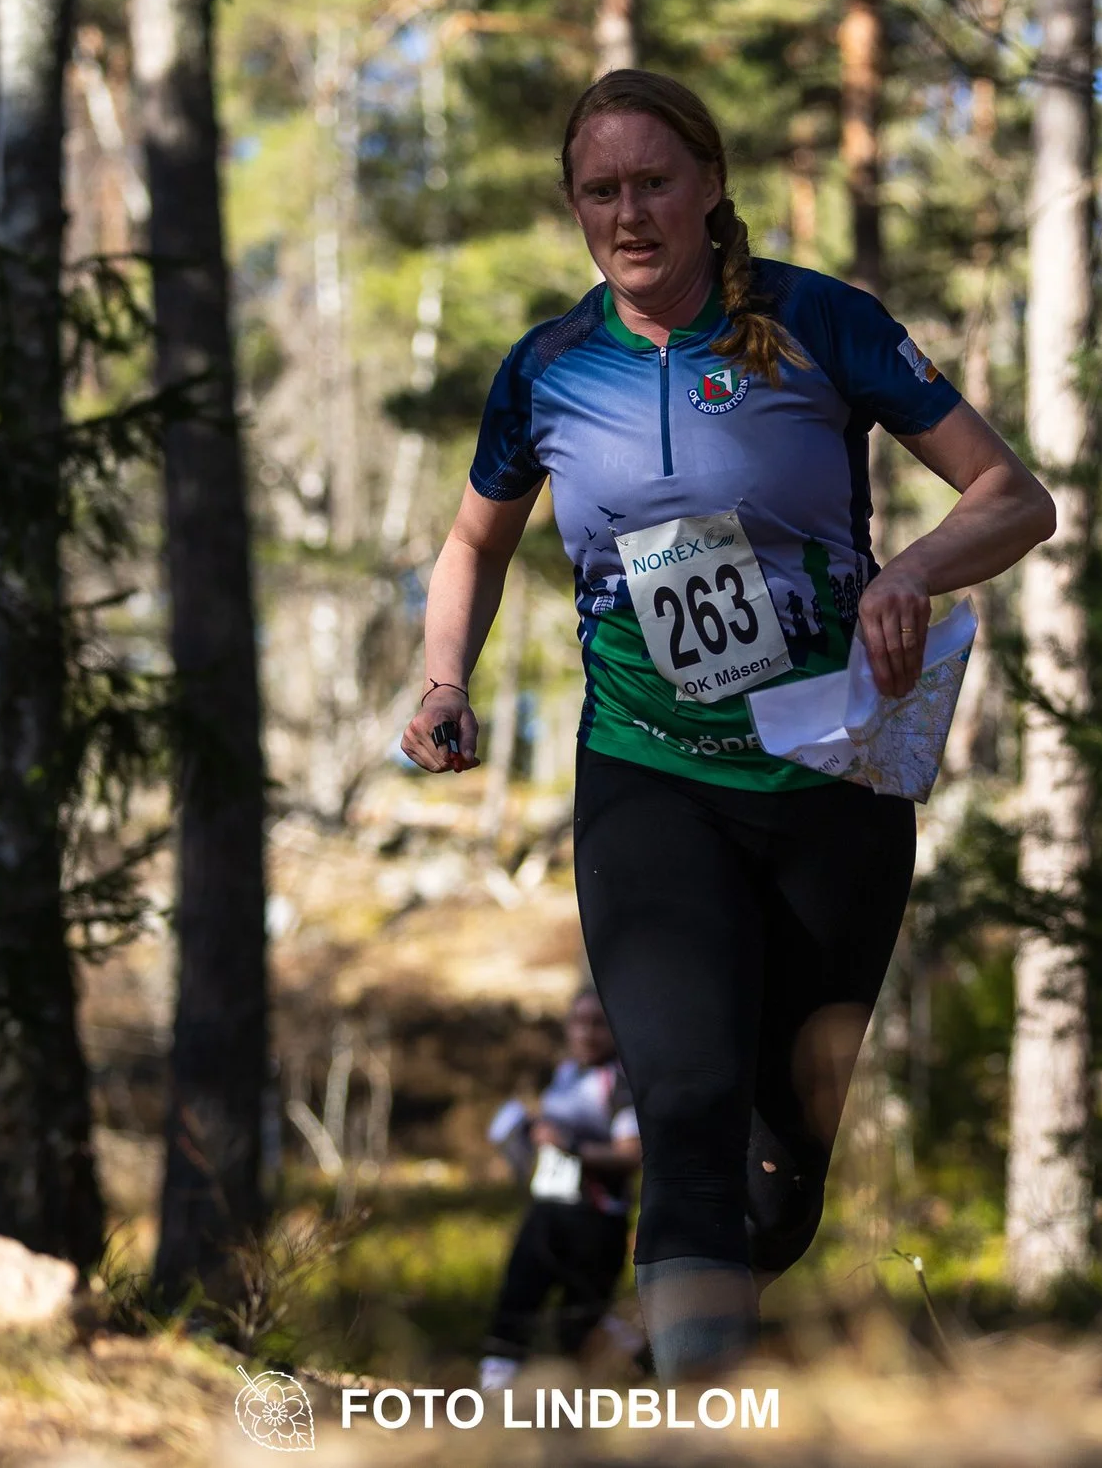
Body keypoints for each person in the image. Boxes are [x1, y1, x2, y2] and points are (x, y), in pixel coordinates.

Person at [399, 70, 1055, 1380]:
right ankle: (690, 1427)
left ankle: (671, 1361)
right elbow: (475, 539)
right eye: (602, 190)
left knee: (772, 1189)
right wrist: (442, 679)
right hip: (651, 781)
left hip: (833, 785)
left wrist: (912, 569)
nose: (630, 212)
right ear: (574, 206)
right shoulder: (547, 369)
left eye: (654, 182)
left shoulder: (822, 323)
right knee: (686, 1120)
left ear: (709, 187)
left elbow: (1013, 494)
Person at [477, 989, 644, 1391]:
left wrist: (569, 1145)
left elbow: (632, 1154)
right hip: (547, 1209)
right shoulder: (566, 1073)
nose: (586, 1033)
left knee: (580, 1323)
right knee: (516, 1302)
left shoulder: (622, 1081)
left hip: (593, 1219)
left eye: (597, 1023)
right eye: (578, 1022)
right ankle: (488, 1402)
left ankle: (651, 1362)